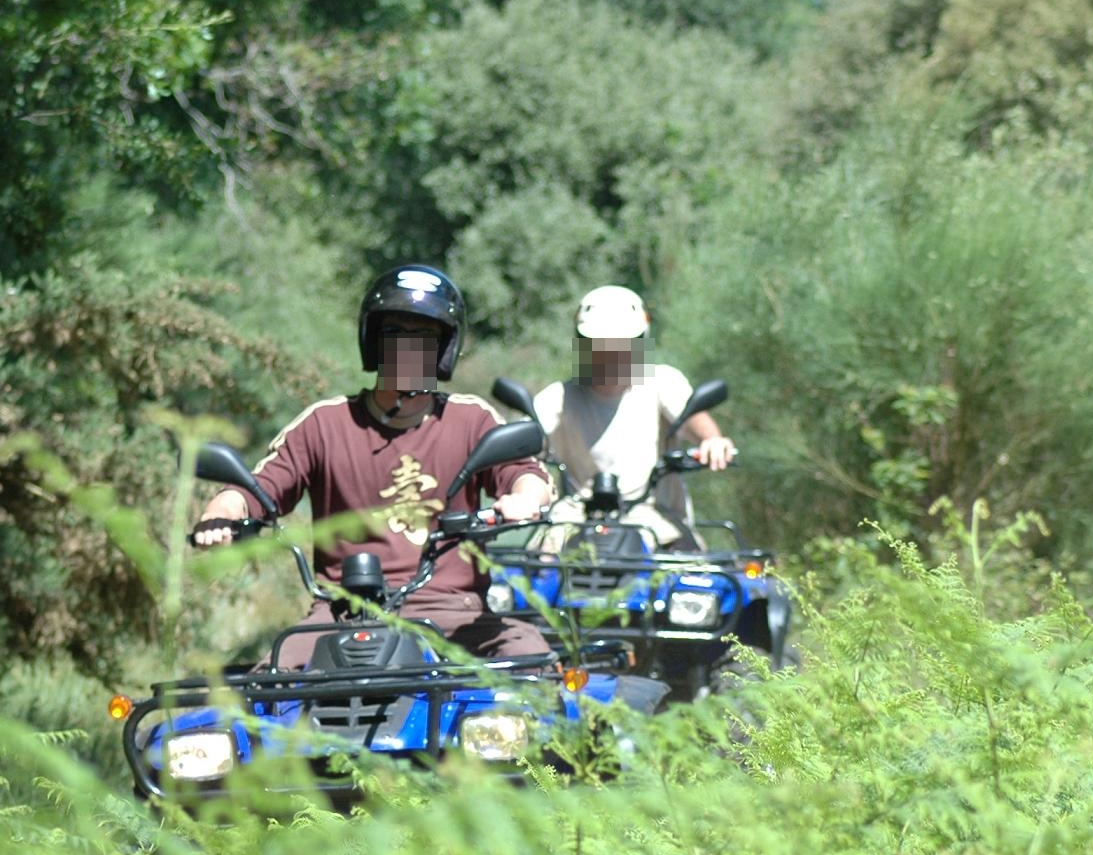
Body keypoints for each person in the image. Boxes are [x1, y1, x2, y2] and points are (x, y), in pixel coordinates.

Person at [194, 265, 554, 667]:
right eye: (394, 335)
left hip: (453, 611)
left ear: (444, 348)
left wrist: (524, 499)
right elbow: (259, 488)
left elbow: (526, 474)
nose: (407, 349)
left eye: (423, 337)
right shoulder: (324, 424)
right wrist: (224, 510)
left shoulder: (470, 420)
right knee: (270, 685)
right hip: (340, 612)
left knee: (530, 657)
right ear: (373, 342)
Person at [532, 284, 736, 552]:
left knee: (696, 580)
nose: (610, 353)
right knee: (532, 575)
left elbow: (691, 416)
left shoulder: (661, 381)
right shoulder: (558, 397)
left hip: (656, 519)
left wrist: (712, 440)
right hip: (575, 520)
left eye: (622, 344)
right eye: (599, 344)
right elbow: (526, 435)